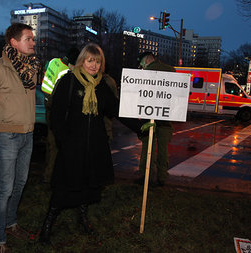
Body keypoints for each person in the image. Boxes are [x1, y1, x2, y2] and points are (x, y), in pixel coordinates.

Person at [39, 43, 143, 244]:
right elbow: (57, 116)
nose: (94, 66)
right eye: (90, 60)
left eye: (98, 61)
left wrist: (140, 127)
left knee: (88, 184)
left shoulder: (102, 86)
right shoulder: (68, 81)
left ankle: (83, 218)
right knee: (64, 187)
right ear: (82, 61)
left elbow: (117, 110)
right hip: (71, 145)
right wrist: (63, 142)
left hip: (95, 145)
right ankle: (47, 224)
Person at [0, 23, 41, 253]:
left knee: (20, 183)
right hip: (6, 135)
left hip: (28, 133)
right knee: (4, 187)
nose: (33, 42)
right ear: (13, 42)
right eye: (28, 39)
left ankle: (10, 224)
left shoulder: (32, 67)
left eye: (33, 39)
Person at [41, 47, 80, 183]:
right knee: (54, 145)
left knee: (50, 143)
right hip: (54, 108)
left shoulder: (54, 61)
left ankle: (47, 173)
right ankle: (50, 177)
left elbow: (45, 70)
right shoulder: (65, 72)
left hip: (46, 100)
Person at [137, 52, 175, 187]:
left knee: (148, 147)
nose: (141, 66)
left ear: (147, 59)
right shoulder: (171, 70)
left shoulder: (145, 73)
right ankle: (162, 177)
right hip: (165, 116)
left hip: (149, 115)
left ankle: (146, 176)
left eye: (142, 62)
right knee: (163, 148)